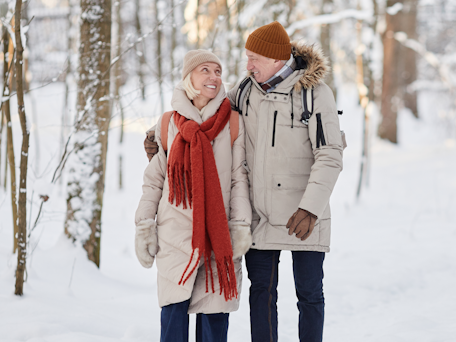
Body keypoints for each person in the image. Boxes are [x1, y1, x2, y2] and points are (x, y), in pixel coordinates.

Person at [145, 22, 344, 342]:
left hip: (304, 215)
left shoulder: (314, 93)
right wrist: (163, 135)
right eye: (247, 57)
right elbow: (207, 120)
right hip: (260, 216)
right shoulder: (245, 91)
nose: (248, 65)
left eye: (255, 58)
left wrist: (311, 207)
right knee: (262, 295)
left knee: (309, 295)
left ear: (277, 59)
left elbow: (330, 154)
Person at [135, 49, 253, 342]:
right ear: (189, 77)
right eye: (206, 70)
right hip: (175, 235)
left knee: (213, 324)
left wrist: (239, 226)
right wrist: (144, 225)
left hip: (217, 235)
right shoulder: (167, 124)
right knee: (173, 321)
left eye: (218, 71)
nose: (214, 77)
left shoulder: (233, 122)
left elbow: (240, 179)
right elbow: (154, 182)